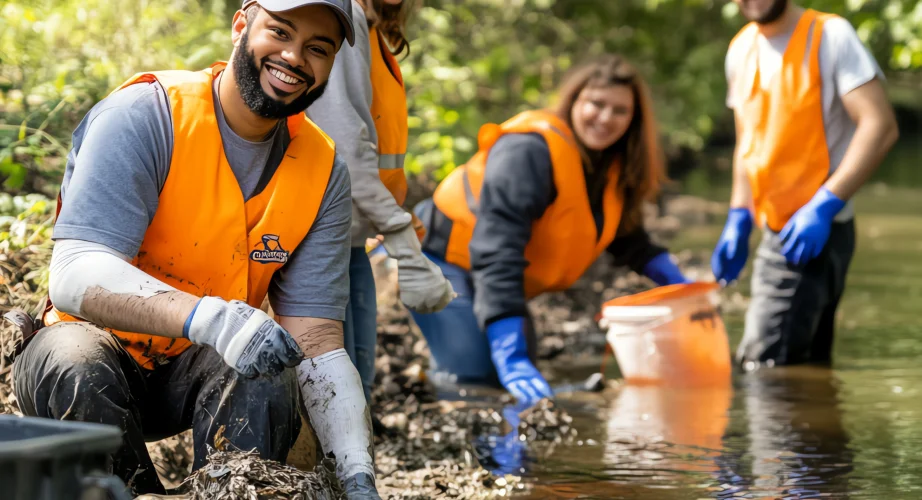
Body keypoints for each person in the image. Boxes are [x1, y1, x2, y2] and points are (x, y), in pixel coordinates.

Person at [12, 1, 383, 498]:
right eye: (280, 32)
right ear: (240, 25)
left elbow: (317, 343)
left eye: (318, 49)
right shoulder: (145, 114)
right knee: (74, 357)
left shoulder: (323, 170)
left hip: (203, 368)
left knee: (269, 372)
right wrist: (218, 320)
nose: (294, 57)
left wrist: (357, 476)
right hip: (93, 354)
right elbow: (76, 273)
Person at [409, 54, 692, 408]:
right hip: (439, 260)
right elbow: (497, 248)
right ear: (575, 101)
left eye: (619, 111)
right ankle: (448, 400)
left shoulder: (608, 167)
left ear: (633, 120)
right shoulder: (528, 152)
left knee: (522, 380)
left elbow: (625, 237)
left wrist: (676, 282)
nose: (605, 118)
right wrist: (509, 350)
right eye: (596, 104)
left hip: (490, 270)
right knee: (475, 376)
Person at [712, 0, 899, 369]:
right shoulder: (740, 48)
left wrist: (825, 203)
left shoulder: (830, 36)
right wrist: (739, 214)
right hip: (776, 226)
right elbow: (746, 143)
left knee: (765, 371)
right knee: (807, 369)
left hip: (814, 232)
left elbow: (879, 126)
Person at [307, 0, 453, 407]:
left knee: (356, 384)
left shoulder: (371, 29)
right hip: (320, 234)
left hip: (352, 234)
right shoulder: (344, 16)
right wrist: (398, 230)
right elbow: (344, 143)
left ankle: (351, 470)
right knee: (338, 387)